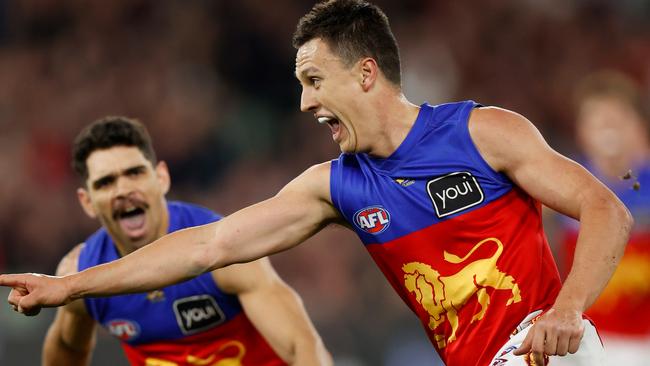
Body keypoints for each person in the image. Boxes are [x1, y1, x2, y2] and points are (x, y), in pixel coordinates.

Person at [1, 1, 632, 365]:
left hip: (550, 351)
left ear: (365, 73)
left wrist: (567, 309)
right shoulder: (334, 187)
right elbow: (208, 245)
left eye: (313, 80)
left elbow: (606, 208)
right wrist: (69, 286)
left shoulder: (484, 132)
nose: (304, 103)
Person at [37, 117, 332, 366]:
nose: (123, 189)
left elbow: (302, 348)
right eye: (106, 182)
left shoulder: (225, 251)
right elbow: (68, 347)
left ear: (161, 178)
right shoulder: (82, 272)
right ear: (87, 202)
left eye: (134, 173)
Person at [557, 70, 650, 366]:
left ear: (637, 126)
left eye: (616, 120)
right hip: (588, 343)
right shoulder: (561, 183)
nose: (608, 131)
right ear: (581, 131)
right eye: (598, 121)